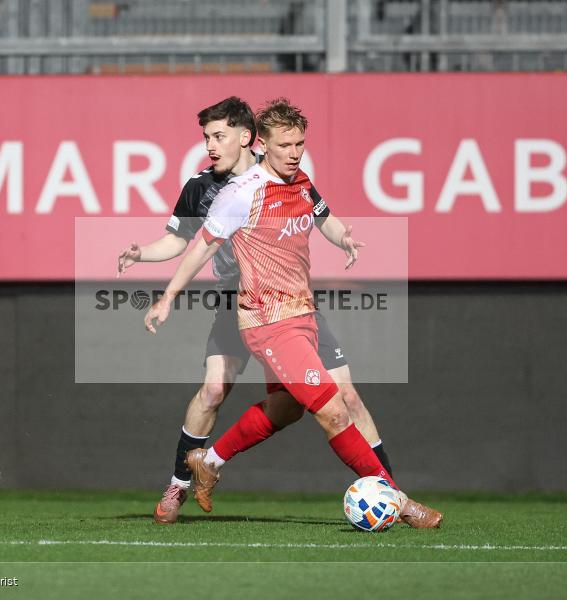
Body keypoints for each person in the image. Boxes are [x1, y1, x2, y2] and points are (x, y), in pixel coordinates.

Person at [143, 98, 442, 528]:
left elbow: (326, 218)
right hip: (269, 322)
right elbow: (200, 247)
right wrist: (169, 296)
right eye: (285, 145)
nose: (295, 152)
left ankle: (208, 460)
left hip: (303, 313)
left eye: (300, 143)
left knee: (286, 408)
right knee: (333, 410)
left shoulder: (300, 181)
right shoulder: (239, 194)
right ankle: (401, 502)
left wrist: (344, 239)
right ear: (261, 144)